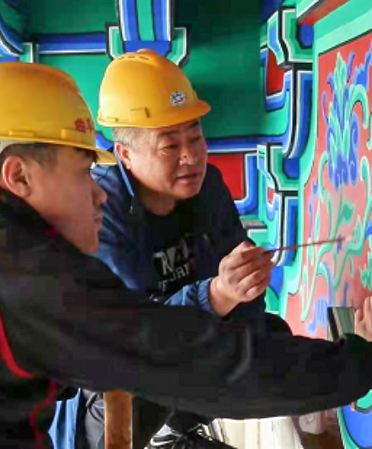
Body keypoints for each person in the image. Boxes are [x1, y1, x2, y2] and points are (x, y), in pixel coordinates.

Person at [0, 62, 372, 449]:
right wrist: (371, 362)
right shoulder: (11, 269)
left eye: (195, 138)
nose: (97, 193)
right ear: (19, 176)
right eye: (83, 172)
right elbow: (192, 362)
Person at [50, 49, 297, 449]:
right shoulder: (100, 213)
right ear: (125, 155)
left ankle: (179, 429)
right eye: (170, 145)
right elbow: (135, 336)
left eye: (196, 137)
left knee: (276, 341)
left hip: (191, 358)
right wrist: (216, 295)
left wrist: (246, 300)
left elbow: (245, 304)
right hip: (116, 389)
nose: (191, 156)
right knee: (134, 390)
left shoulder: (209, 188)